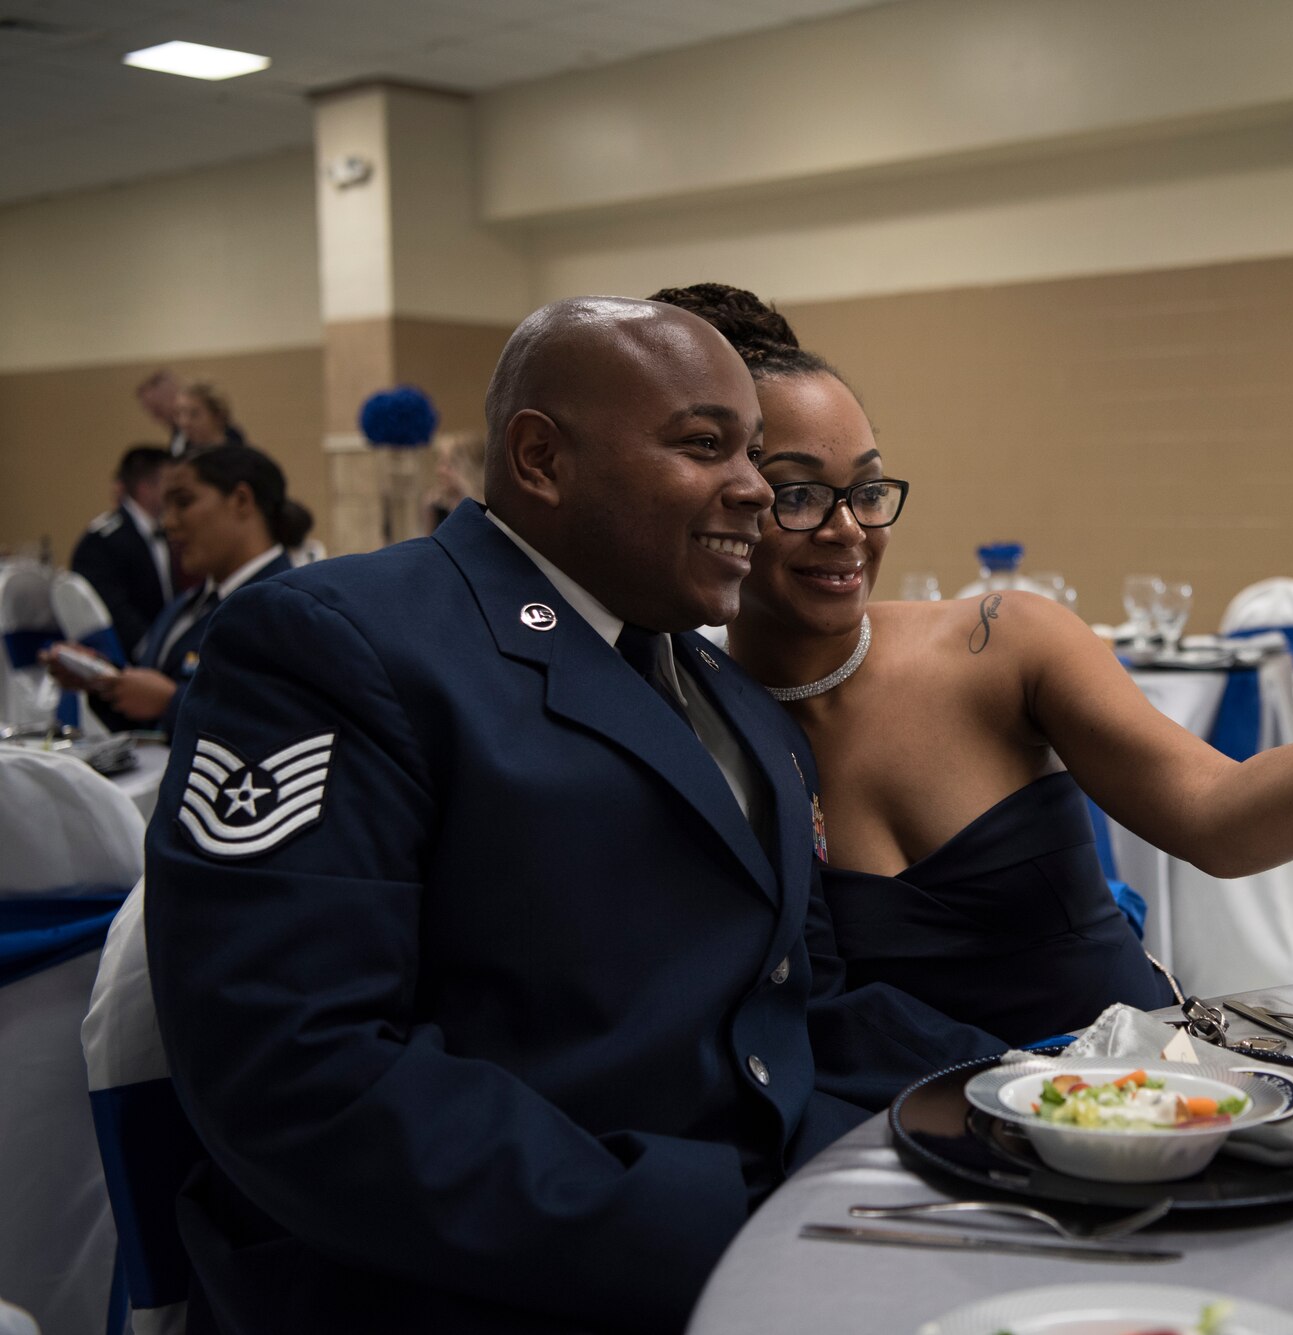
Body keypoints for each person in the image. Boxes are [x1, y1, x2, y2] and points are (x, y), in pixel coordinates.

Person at [141, 297, 996, 1334]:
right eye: (703, 446)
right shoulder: (341, 645)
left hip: (747, 1223)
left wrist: (1029, 1093)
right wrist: (726, 1234)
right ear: (541, 459)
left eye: (756, 453)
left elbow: (795, 1002)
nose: (753, 490)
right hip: (465, 1284)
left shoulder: (725, 697)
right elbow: (301, 1074)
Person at [652, 283, 1293, 1045]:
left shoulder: (1002, 641)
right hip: (900, 1139)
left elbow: (1219, 816)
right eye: (799, 493)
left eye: (868, 490)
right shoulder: (697, 719)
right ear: (734, 499)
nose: (848, 530)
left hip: (1138, 1096)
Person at [47, 444, 309, 734]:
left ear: (241, 501)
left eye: (183, 503)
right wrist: (107, 685)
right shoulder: (188, 604)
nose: (168, 522)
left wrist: (171, 703)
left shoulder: (288, 606)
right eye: (166, 507)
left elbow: (287, 725)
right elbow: (149, 725)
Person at [69, 444, 174, 656]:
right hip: (127, 660)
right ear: (146, 488)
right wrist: (152, 649)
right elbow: (107, 610)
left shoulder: (170, 531)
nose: (176, 490)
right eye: (169, 482)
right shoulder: (102, 540)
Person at [172, 380, 247, 455]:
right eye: (179, 414)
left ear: (218, 417)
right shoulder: (181, 460)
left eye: (194, 414)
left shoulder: (247, 461)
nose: (184, 422)